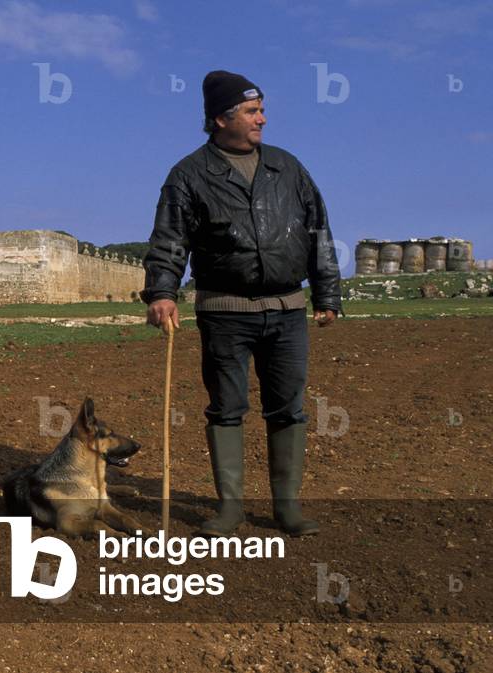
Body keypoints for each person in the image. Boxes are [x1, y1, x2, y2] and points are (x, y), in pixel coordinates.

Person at [141, 70, 342, 537]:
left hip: (287, 310)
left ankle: (286, 508)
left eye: (261, 110)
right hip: (225, 312)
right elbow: (170, 239)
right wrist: (163, 293)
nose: (262, 120)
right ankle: (231, 508)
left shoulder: (288, 168)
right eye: (252, 112)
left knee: (288, 407)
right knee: (227, 407)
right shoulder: (189, 174)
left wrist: (327, 291)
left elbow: (319, 232)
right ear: (220, 119)